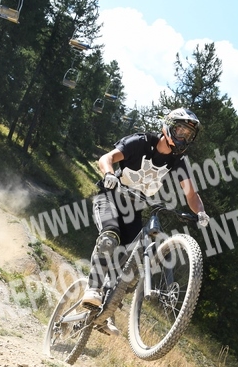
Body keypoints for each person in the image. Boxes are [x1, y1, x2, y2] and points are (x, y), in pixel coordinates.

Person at [82, 107, 210, 333]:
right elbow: (107, 158)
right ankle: (93, 289)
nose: (183, 137)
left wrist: (200, 212)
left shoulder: (179, 161)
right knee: (109, 239)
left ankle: (107, 311)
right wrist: (109, 174)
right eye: (180, 130)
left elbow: (191, 194)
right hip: (110, 198)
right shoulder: (141, 142)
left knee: (130, 264)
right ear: (168, 127)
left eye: (188, 135)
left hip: (134, 209)